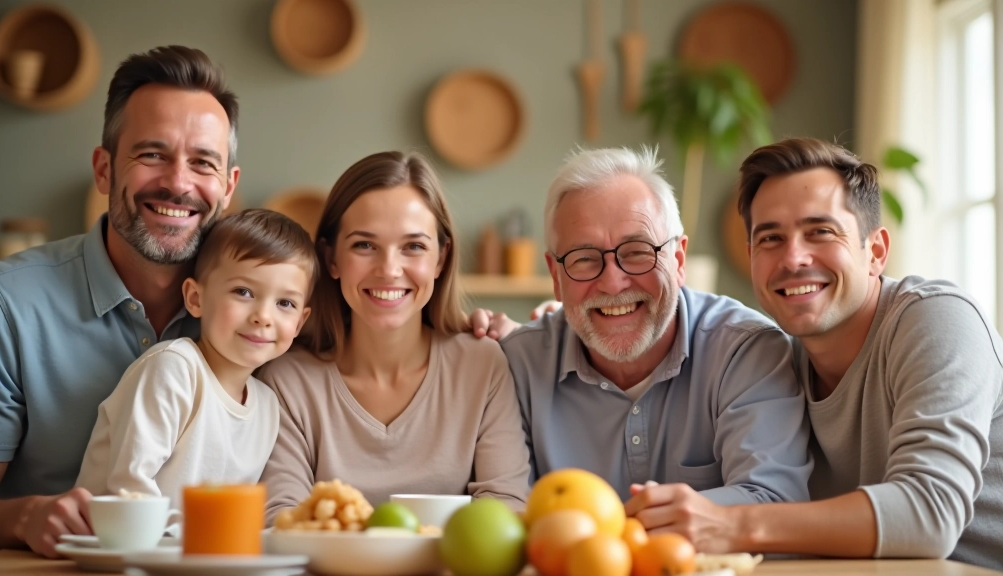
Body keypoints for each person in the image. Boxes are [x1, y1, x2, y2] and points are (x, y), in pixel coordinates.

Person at [634, 138, 1000, 569]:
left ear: (876, 251)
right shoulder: (773, 361)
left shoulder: (936, 319)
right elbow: (690, 330)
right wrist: (566, 323)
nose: (793, 258)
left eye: (820, 232)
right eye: (771, 238)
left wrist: (732, 525)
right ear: (751, 256)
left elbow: (929, 514)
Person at [0, 45, 239, 557]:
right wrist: (22, 516)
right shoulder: (6, 303)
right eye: (152, 154)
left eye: (203, 163)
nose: (178, 183)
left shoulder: (263, 315)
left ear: (228, 187)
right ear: (104, 170)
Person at [487, 146, 812, 530]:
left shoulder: (745, 351)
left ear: (678, 260)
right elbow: (504, 519)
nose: (612, 282)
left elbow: (773, 502)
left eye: (638, 251)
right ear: (555, 277)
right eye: (584, 258)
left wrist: (612, 530)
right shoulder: (514, 366)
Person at [259, 151, 531, 521]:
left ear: (441, 259)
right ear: (331, 257)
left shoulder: (482, 365)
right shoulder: (287, 381)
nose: (389, 270)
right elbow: (284, 521)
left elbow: (506, 510)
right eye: (364, 245)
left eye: (413, 247)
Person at [75, 209, 315, 510]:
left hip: (197, 554)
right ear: (195, 299)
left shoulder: (267, 405)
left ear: (300, 323)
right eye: (243, 292)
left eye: (285, 303)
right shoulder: (173, 369)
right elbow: (129, 489)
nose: (263, 317)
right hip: (118, 547)